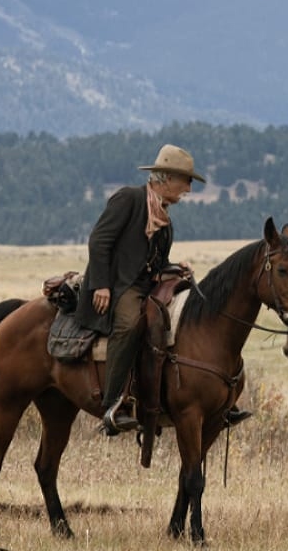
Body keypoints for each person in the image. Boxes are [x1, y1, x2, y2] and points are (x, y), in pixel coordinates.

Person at [70, 144, 247, 435]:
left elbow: (156, 262)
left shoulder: (164, 220)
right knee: (129, 325)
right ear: (165, 178)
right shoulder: (129, 199)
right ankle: (114, 404)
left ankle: (203, 398)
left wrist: (176, 268)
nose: (188, 188)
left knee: (186, 320)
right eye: (185, 180)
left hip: (147, 286)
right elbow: (99, 241)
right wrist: (101, 284)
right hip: (118, 287)